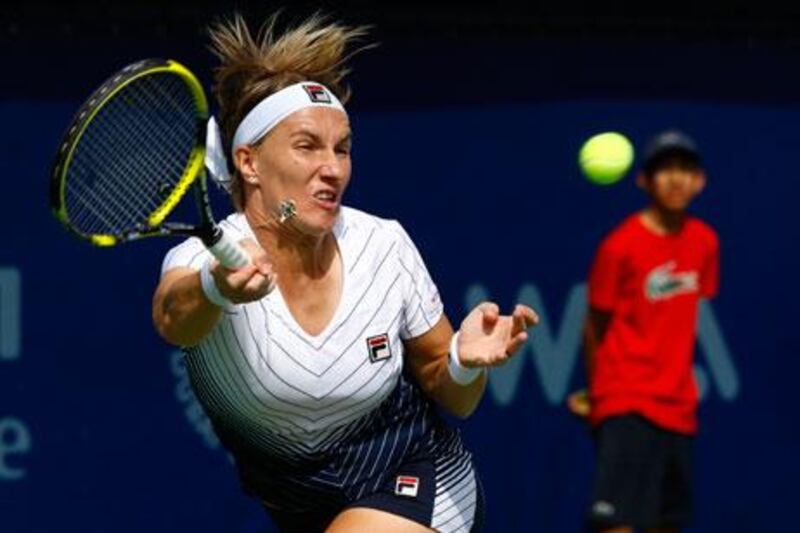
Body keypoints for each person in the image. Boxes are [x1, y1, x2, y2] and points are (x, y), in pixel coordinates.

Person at [151, 12, 538, 533]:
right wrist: (214, 288)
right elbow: (175, 318)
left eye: (343, 148)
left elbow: (456, 398)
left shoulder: (384, 245)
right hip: (302, 512)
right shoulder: (203, 260)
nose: (333, 168)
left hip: (420, 483)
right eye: (308, 146)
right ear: (249, 162)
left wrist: (464, 363)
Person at [567, 130, 720, 532]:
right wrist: (599, 391)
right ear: (644, 181)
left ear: (700, 181)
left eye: (685, 170)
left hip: (679, 405)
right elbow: (594, 325)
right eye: (665, 169)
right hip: (626, 398)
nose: (676, 179)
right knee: (615, 522)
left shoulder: (705, 243)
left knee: (666, 522)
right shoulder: (620, 246)